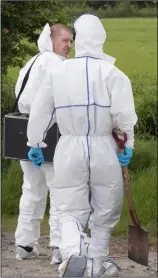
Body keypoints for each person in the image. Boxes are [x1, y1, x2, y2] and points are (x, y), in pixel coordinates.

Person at [27, 14, 137, 277]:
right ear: (101, 38)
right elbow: (125, 116)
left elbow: (40, 111)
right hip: (104, 148)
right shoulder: (113, 73)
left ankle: (74, 252)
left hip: (69, 147)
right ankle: (95, 262)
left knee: (68, 205)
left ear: (78, 40)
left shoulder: (59, 71)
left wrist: (35, 142)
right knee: (106, 205)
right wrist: (128, 144)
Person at [14, 23, 73, 263]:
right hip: (49, 135)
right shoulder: (56, 64)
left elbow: (22, 100)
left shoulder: (32, 61)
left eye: (71, 41)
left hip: (22, 134)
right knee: (59, 191)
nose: (68, 46)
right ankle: (59, 247)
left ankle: (24, 244)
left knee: (31, 189)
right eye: (65, 40)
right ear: (51, 40)